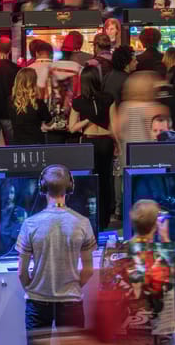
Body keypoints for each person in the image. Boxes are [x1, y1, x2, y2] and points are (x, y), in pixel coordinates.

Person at [17, 164, 96, 345]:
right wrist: (72, 286)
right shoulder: (83, 223)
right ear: (70, 187)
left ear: (42, 188)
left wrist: (33, 288)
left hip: (37, 301)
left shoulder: (30, 224)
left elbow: (21, 272)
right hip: (71, 301)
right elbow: (88, 270)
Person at [97, 199, 175, 343]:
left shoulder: (113, 252)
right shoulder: (162, 254)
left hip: (123, 336)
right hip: (157, 338)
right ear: (156, 224)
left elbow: (105, 290)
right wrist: (165, 238)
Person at [69, 65, 114, 229]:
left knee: (90, 180)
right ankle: (104, 219)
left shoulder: (78, 102)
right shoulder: (108, 98)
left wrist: (87, 120)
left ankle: (92, 218)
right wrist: (117, 143)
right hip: (106, 141)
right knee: (105, 180)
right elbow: (113, 125)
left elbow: (72, 127)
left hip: (89, 142)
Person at [10, 68, 51, 146]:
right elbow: (49, 120)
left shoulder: (10, 101)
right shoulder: (38, 102)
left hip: (17, 143)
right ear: (33, 82)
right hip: (36, 143)